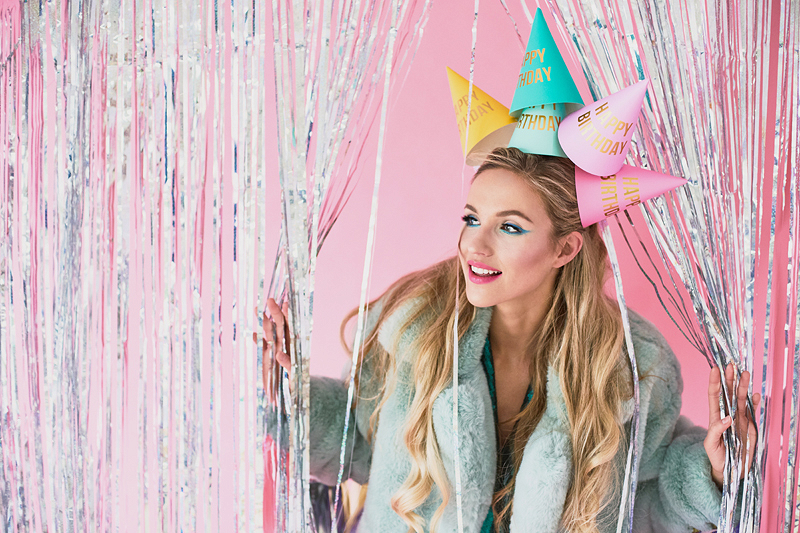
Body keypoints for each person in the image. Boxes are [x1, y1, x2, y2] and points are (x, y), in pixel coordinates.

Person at [256, 148, 759, 533]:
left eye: (509, 227)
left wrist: (709, 475)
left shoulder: (626, 368)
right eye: (472, 218)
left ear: (564, 247)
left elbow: (644, 501)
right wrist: (287, 399)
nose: (475, 243)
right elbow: (358, 444)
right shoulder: (415, 329)